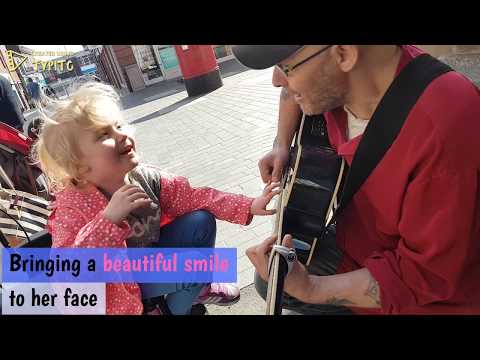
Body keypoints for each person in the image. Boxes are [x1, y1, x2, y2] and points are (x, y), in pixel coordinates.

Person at [233, 45, 480, 314]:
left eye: (285, 67)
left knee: (285, 285)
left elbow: (425, 278)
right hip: (359, 239)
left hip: (426, 294)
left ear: (344, 54)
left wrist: (310, 288)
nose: (276, 80)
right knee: (269, 279)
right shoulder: (344, 81)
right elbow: (291, 91)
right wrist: (281, 143)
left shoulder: (443, 128)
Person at [32, 82, 280, 315]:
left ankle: (194, 292)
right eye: (103, 135)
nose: (120, 135)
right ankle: (172, 310)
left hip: (147, 262)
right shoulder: (72, 206)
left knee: (201, 221)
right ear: (79, 167)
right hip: (118, 286)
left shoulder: (141, 177)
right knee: (195, 265)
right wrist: (108, 221)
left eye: (118, 125)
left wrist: (248, 204)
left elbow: (196, 198)